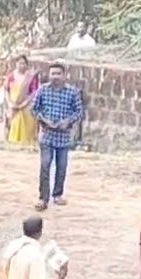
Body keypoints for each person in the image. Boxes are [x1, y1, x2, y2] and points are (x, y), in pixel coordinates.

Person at [29, 62, 83, 209]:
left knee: (62, 166)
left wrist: (67, 121)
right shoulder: (43, 90)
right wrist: (43, 120)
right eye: (53, 73)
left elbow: (78, 112)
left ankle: (57, 195)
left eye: (58, 73)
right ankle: (43, 198)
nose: (55, 77)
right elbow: (33, 109)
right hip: (46, 135)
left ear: (64, 75)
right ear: (49, 74)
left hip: (64, 137)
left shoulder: (72, 92)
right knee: (45, 166)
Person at [2, 55, 40, 148]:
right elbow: (6, 90)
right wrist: (10, 103)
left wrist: (24, 104)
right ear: (16, 64)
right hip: (13, 106)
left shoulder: (31, 76)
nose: (21, 66)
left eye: (23, 63)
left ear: (27, 65)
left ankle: (28, 144)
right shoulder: (11, 76)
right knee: (13, 126)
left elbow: (34, 92)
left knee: (28, 128)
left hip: (27, 106)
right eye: (19, 63)